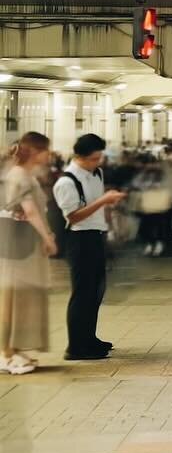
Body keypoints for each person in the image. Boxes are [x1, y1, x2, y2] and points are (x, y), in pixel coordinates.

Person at [53, 133, 126, 361]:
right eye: (94, 158)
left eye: (99, 158)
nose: (98, 162)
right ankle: (75, 346)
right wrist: (103, 201)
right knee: (82, 292)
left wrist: (110, 224)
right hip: (79, 239)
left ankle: (89, 338)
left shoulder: (97, 173)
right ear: (80, 157)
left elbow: (97, 207)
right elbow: (73, 216)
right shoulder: (66, 181)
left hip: (96, 235)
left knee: (96, 290)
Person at [0, 132, 59, 374]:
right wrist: (48, 238)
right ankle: (4, 353)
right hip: (16, 247)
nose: (49, 154)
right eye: (46, 150)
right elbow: (31, 210)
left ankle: (14, 349)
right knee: (9, 299)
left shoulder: (23, 174)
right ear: (35, 151)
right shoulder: (18, 176)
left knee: (20, 299)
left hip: (22, 245)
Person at [133, 156, 172, 257]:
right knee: (147, 225)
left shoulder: (162, 175)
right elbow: (136, 183)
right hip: (148, 204)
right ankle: (150, 243)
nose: (152, 166)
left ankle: (158, 243)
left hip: (159, 204)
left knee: (159, 225)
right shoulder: (144, 174)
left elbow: (168, 185)